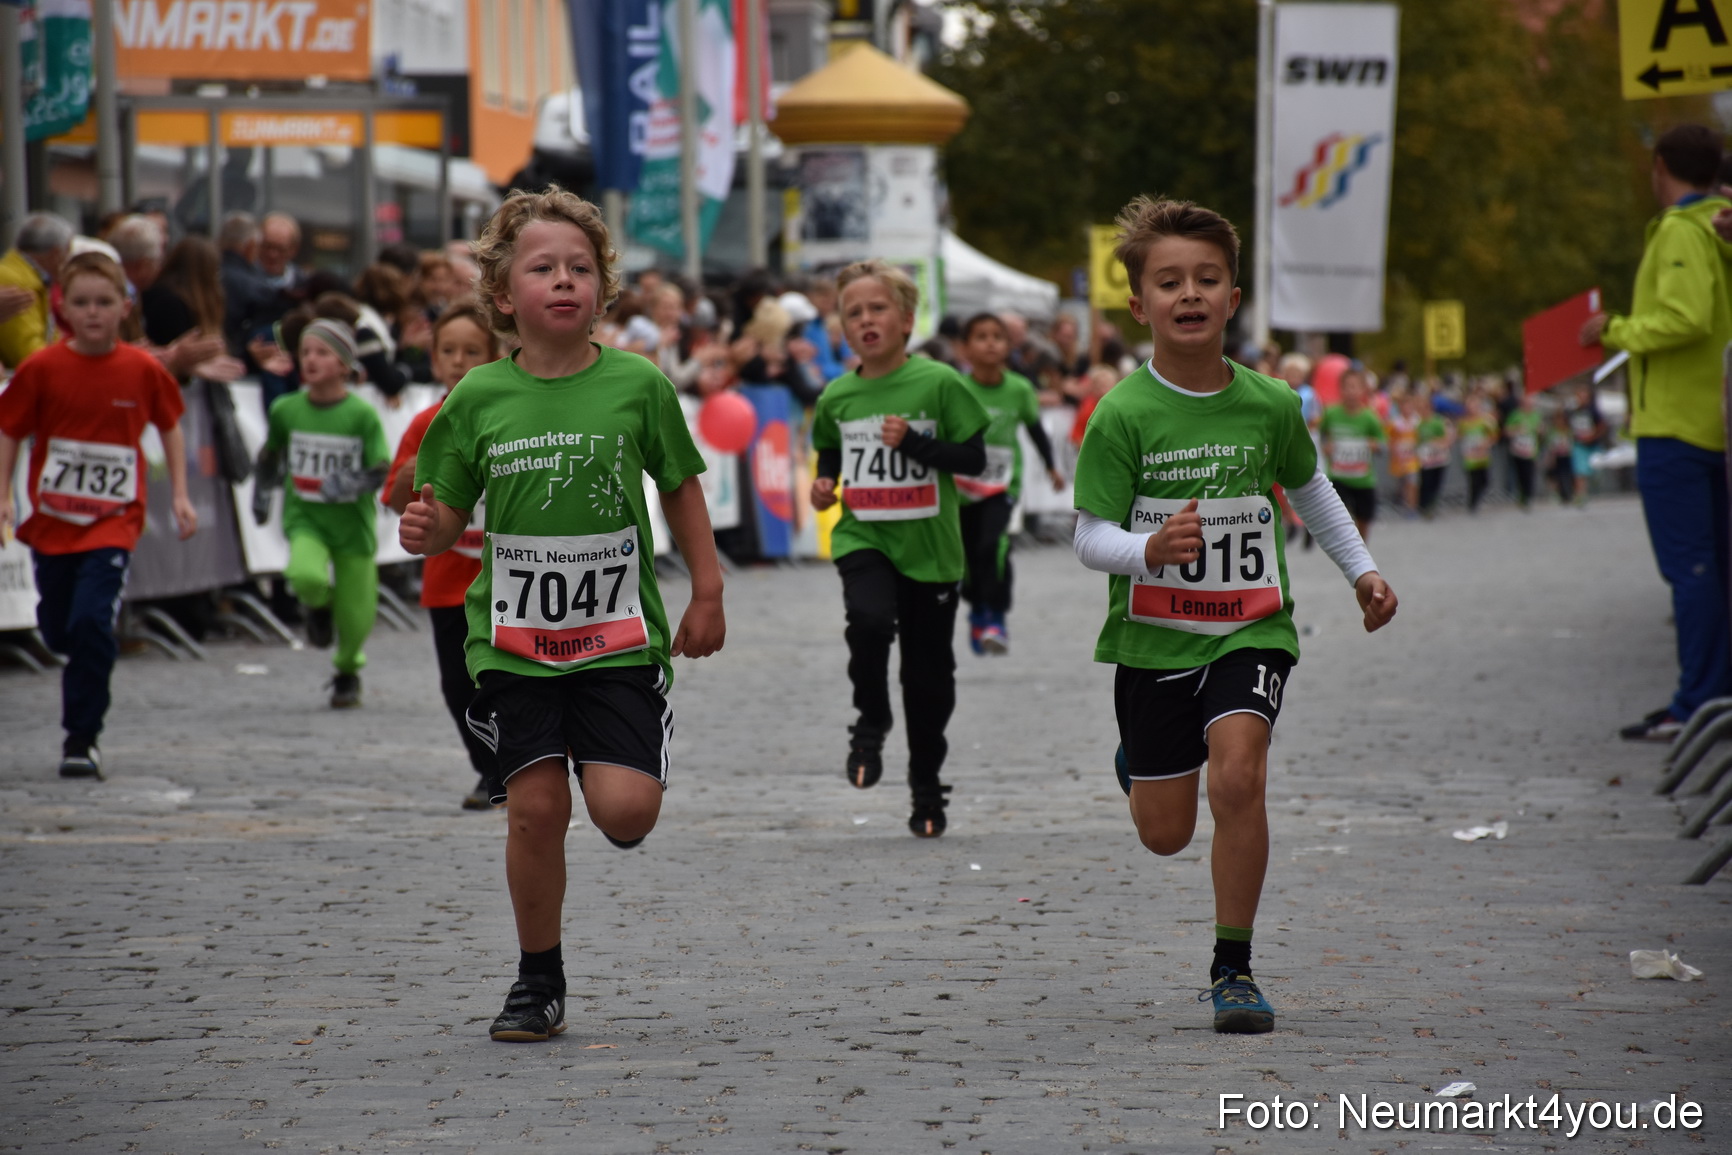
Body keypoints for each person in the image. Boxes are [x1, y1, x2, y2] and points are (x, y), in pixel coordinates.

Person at [400, 186, 725, 1044]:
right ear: (504, 294)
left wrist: (709, 588)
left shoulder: (637, 384)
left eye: (581, 267)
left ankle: (609, 752)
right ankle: (536, 975)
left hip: (617, 637)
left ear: (604, 288)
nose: (564, 280)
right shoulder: (475, 399)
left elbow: (681, 485)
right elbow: (443, 515)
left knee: (624, 812)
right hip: (511, 641)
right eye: (542, 267)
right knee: (535, 809)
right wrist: (425, 526)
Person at [1069, 196, 1397, 1034]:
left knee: (1240, 775)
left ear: (1233, 297)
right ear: (1139, 305)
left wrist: (1361, 571)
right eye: (1169, 281)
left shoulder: (1271, 403)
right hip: (1153, 635)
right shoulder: (1121, 413)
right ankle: (1141, 760)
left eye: (1206, 279)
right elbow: (1088, 535)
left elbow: (1310, 487)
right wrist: (1148, 552)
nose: (1190, 294)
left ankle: (1234, 966)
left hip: (1251, 627)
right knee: (1164, 833)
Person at [809, 259, 989, 838]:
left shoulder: (938, 383)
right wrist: (823, 482)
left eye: (877, 308)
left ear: (906, 319)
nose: (865, 320)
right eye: (853, 312)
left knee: (928, 677)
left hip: (931, 549)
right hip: (865, 533)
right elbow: (830, 453)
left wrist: (914, 442)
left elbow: (974, 459)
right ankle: (871, 719)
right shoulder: (837, 395)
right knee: (866, 620)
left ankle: (926, 787)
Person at [0, 253, 198, 778]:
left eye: (104, 303)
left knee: (91, 622)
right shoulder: (41, 367)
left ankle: (81, 737)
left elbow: (171, 426)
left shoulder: (142, 369)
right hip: (52, 521)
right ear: (63, 307)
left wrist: (179, 494)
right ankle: (65, 641)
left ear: (124, 308)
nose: (93, 313)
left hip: (114, 521)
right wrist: (2, 493)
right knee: (62, 628)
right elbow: (10, 429)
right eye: (82, 303)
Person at [1583, 124, 1732, 741]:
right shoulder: (1724, 224)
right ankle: (1709, 694)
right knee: (1715, 568)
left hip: (1675, 423)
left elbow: (1684, 318)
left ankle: (1696, 701)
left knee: (1690, 570)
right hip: (1716, 421)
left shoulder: (1679, 229)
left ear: (1662, 166)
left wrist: (1612, 331)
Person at [385, 303, 501, 809]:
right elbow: (393, 500)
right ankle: (487, 769)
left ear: (496, 357)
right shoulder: (424, 423)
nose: (458, 361)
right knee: (459, 687)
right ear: (433, 361)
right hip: (449, 581)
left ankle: (513, 769)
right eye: (448, 351)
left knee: (505, 683)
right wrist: (412, 471)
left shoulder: (510, 417)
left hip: (508, 582)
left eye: (472, 351)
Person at [251, 319, 390, 708]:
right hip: (305, 519)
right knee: (304, 574)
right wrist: (261, 494)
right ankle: (317, 608)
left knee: (357, 617)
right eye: (306, 352)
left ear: (344, 364)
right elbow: (270, 455)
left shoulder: (362, 415)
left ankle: (347, 672)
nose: (310, 360)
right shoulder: (286, 409)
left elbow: (381, 468)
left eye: (323, 352)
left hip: (352, 527)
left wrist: (348, 483)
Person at [953, 311, 1063, 654]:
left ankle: (995, 618)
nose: (990, 343)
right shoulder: (956, 388)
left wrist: (1051, 467)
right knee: (967, 556)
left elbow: (1033, 430)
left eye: (997, 337)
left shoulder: (1018, 389)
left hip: (1002, 486)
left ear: (1008, 346)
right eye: (981, 337)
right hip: (961, 488)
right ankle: (977, 612)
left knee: (993, 547)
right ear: (965, 348)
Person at [0, 212, 74, 369]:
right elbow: (26, 351)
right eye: (68, 252)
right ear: (56, 253)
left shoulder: (33, 278)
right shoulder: (16, 282)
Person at [1320, 367, 1386, 540]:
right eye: (1346, 387)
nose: (1350, 391)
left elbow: (1382, 442)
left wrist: (1374, 445)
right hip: (1338, 477)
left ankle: (1361, 550)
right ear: (1340, 389)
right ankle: (1346, 547)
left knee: (1364, 518)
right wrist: (1326, 446)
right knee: (1340, 517)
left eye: (1354, 387)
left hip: (1363, 479)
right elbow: (1320, 435)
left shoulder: (1370, 417)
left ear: (1363, 390)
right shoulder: (1330, 413)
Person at [1561, 382, 1606, 507]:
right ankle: (1581, 495)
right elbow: (1564, 423)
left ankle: (1592, 489)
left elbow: (1602, 425)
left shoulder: (1593, 410)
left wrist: (1592, 436)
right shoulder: (1572, 410)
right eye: (1579, 395)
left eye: (1584, 395)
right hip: (1579, 444)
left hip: (1593, 444)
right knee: (1579, 471)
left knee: (1595, 470)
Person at [1457, 393, 1498, 514]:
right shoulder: (1463, 422)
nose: (1472, 408)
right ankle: (1472, 503)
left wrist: (1486, 443)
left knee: (1485, 480)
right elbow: (1459, 435)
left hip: (1482, 455)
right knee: (1473, 479)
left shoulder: (1486, 420)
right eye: (1469, 406)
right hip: (1469, 456)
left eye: (1474, 405)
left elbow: (1494, 436)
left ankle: (1476, 499)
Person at [1502, 390, 1542, 510]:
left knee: (1529, 474)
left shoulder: (1535, 415)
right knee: (1519, 474)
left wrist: (1540, 431)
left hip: (1530, 450)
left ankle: (1528, 497)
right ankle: (1521, 496)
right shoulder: (1515, 414)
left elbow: (1541, 430)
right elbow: (1506, 431)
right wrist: (1517, 430)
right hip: (1517, 450)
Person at [1415, 393, 1453, 519]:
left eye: (1424, 408)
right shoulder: (1419, 424)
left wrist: (1434, 442)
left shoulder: (1438, 422)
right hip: (1425, 460)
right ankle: (1424, 507)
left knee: (1436, 484)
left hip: (1438, 459)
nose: (1422, 411)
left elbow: (1446, 438)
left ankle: (1431, 506)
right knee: (1425, 483)